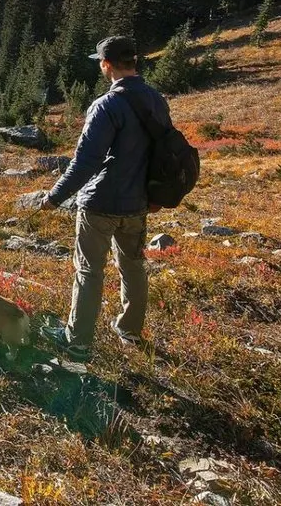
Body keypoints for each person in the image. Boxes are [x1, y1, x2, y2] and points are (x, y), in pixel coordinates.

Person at [37, 35, 171, 362]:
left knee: (88, 271)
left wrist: (54, 197)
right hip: (137, 204)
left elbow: (85, 162)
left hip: (100, 205)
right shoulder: (156, 100)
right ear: (134, 62)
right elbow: (162, 153)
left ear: (106, 65)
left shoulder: (106, 106)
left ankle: (78, 341)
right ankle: (130, 331)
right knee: (134, 267)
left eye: (100, 61)